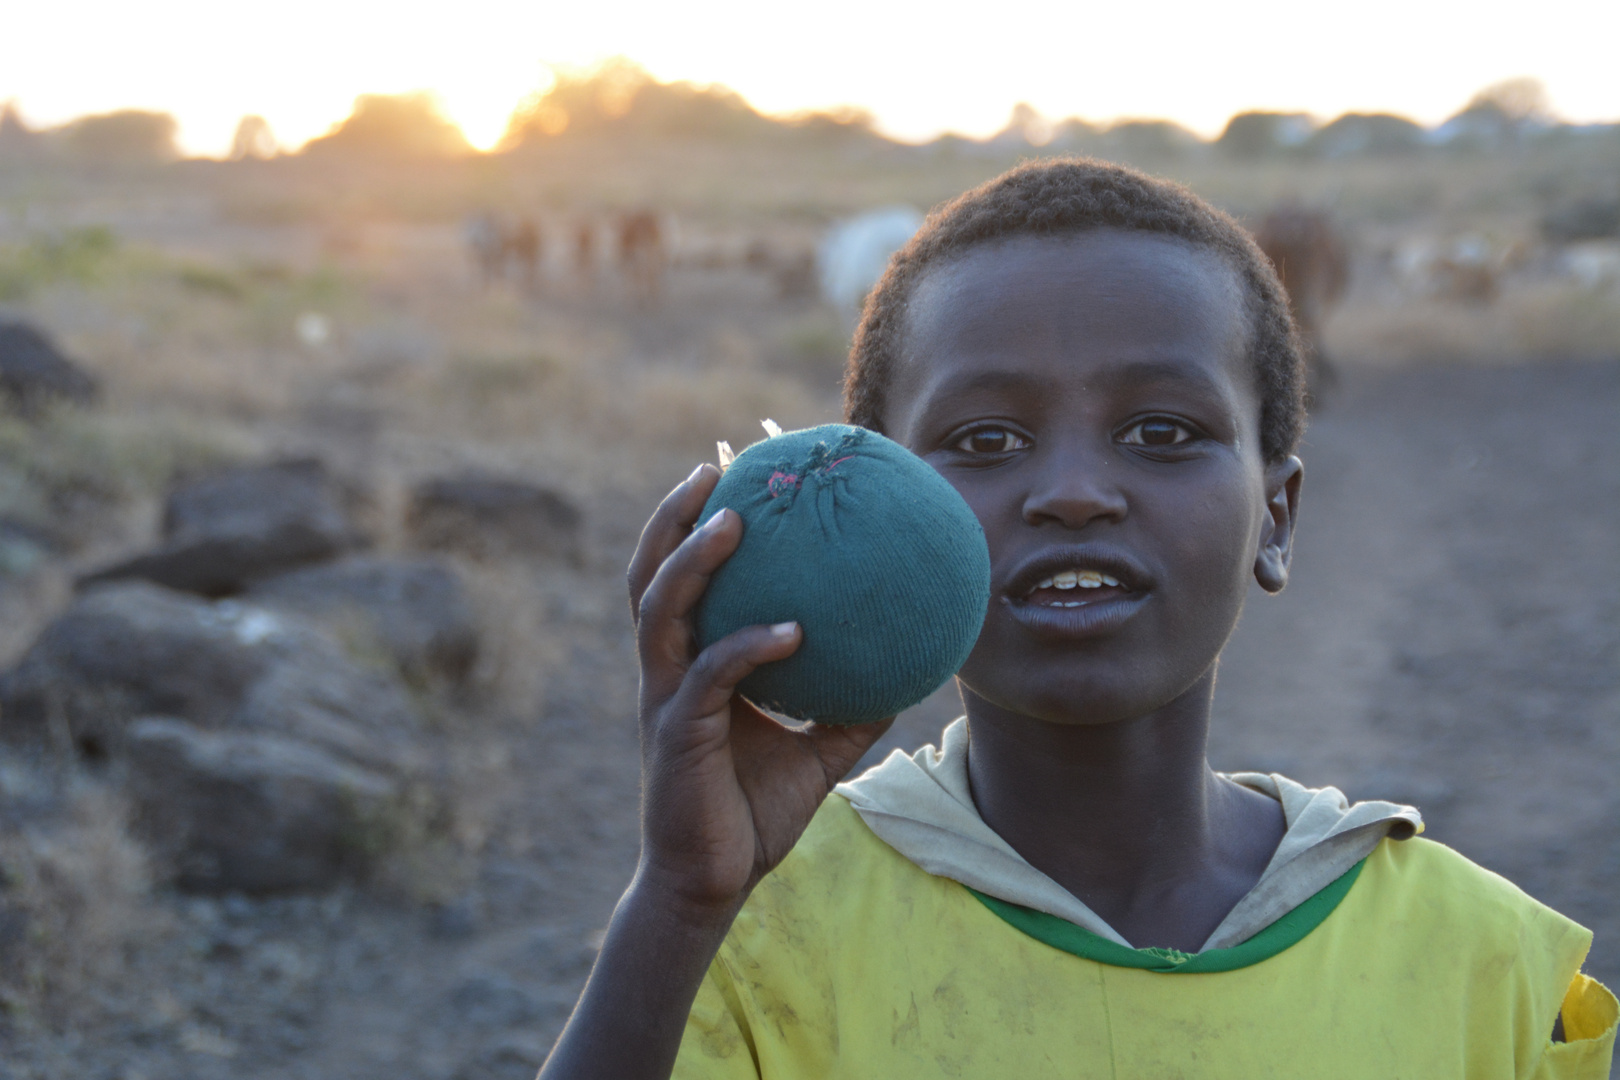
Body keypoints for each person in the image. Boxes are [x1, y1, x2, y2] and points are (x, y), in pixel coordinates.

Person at [539, 159, 1617, 1079]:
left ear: (1274, 517)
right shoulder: (740, 945)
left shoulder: (1491, 974)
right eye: (986, 442)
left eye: (1160, 431)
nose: (1073, 492)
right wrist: (678, 903)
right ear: (880, 502)